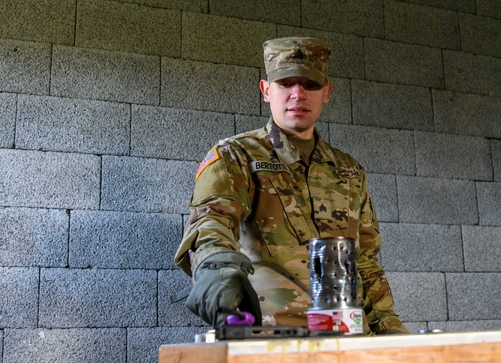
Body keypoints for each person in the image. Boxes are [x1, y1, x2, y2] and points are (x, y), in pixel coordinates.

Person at [174, 36, 408, 335]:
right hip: (272, 338)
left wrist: (393, 336)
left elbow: (366, 265)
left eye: (310, 84)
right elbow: (210, 227)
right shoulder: (237, 156)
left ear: (327, 92)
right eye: (285, 83)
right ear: (266, 90)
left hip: (349, 339)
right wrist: (218, 278)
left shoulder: (348, 171)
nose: (298, 94)